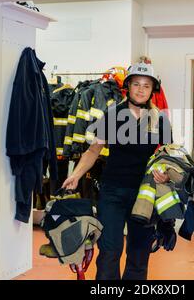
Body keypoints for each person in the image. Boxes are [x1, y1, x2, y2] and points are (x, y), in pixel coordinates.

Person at [62, 62, 172, 280]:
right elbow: (93, 151)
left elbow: (167, 157)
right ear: (128, 87)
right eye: (136, 84)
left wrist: (166, 174)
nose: (141, 89)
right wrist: (75, 174)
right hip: (112, 193)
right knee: (110, 251)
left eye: (146, 85)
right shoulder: (113, 115)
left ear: (152, 90)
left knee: (139, 253)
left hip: (144, 194)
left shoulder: (159, 119)